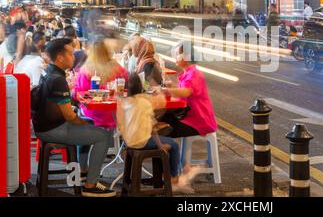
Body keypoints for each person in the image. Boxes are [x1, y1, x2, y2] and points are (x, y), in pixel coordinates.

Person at [32, 38, 116, 197]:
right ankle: (90, 185)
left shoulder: (48, 71)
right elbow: (70, 117)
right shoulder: (58, 80)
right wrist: (83, 122)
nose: (74, 57)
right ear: (60, 58)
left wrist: (85, 123)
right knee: (103, 136)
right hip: (53, 129)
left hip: (43, 126)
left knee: (90, 124)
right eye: (70, 54)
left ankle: (83, 172)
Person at [117, 73, 199, 193]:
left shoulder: (124, 102)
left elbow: (120, 124)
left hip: (128, 141)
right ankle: (174, 179)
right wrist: (161, 146)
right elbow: (153, 129)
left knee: (166, 140)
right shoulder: (144, 103)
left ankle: (163, 178)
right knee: (174, 145)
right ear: (140, 87)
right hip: (142, 142)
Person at [162, 42, 217, 138]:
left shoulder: (194, 74)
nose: (175, 56)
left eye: (177, 54)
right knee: (162, 122)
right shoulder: (187, 73)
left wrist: (164, 90)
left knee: (162, 130)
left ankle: (170, 151)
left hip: (198, 122)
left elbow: (185, 92)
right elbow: (182, 93)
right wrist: (170, 88)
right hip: (188, 117)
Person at [73, 41, 129, 129]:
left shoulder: (85, 69)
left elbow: (77, 94)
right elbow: (127, 81)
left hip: (92, 115)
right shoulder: (116, 67)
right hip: (114, 115)